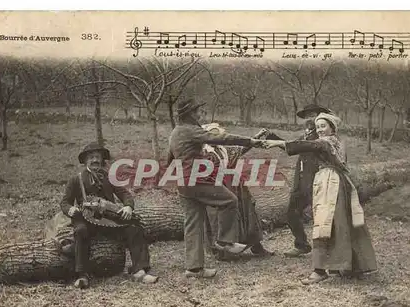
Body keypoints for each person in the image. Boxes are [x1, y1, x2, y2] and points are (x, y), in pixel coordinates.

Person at [265, 112, 377, 285]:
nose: (320, 130)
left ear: (332, 128)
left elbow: (306, 146)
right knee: (340, 223)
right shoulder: (336, 142)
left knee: (324, 223)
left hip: (330, 183)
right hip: (338, 183)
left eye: (323, 126)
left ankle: (319, 270)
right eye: (318, 127)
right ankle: (346, 265)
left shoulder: (326, 142)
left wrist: (277, 142)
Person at [167, 99, 267, 279]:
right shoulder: (191, 130)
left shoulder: (175, 132)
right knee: (230, 201)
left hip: (183, 184)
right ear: (190, 113)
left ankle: (194, 268)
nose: (200, 114)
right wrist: (250, 140)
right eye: (198, 111)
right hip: (198, 180)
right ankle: (225, 240)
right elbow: (222, 138)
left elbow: (170, 158)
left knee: (192, 224)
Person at [60, 142, 158, 289]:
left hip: (107, 219)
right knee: (80, 231)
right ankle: (82, 275)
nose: (95, 160)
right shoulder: (76, 179)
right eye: (91, 157)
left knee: (133, 228)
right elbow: (65, 202)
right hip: (85, 219)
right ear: (86, 160)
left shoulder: (110, 177)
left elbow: (125, 195)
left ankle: (140, 270)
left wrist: (128, 207)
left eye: (98, 157)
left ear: (102, 160)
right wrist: (70, 210)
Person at [201, 123, 274, 259]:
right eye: (213, 135)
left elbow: (243, 148)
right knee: (220, 218)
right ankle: (223, 252)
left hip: (236, 185)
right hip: (218, 188)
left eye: (218, 134)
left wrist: (257, 137)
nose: (216, 137)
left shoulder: (225, 149)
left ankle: (256, 247)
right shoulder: (206, 152)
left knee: (248, 213)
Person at [283, 104, 334, 258]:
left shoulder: (322, 136)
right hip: (301, 180)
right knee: (291, 212)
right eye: (306, 116)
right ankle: (301, 244)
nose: (309, 119)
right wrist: (271, 138)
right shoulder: (305, 135)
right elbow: (291, 147)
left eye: (313, 115)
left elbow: (298, 147)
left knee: (321, 216)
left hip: (317, 179)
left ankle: (331, 249)